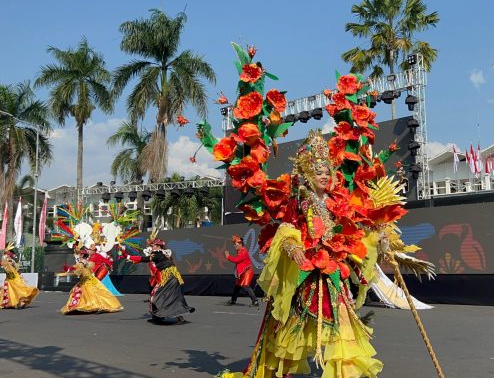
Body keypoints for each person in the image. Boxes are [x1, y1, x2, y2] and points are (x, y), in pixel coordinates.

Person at [220, 131, 383, 378]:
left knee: (343, 325)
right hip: (306, 274)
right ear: (307, 175)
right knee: (293, 327)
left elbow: (352, 229)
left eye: (327, 172)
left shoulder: (335, 201)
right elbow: (286, 230)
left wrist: (376, 236)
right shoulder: (300, 201)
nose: (324, 176)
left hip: (332, 272)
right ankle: (282, 373)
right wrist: (293, 247)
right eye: (319, 172)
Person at [127, 237, 195, 324]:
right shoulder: (165, 255)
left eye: (153, 246)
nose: (152, 247)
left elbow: (144, 259)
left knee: (155, 297)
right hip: (173, 278)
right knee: (174, 297)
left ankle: (159, 316)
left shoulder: (157, 254)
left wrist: (128, 256)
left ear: (158, 247)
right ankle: (176, 318)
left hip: (168, 278)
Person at [60, 248, 123, 314]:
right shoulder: (87, 261)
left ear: (81, 255)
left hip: (87, 281)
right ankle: (100, 305)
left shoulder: (82, 262)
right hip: (90, 279)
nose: (77, 255)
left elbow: (77, 268)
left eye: (78, 254)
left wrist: (68, 269)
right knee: (98, 292)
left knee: (88, 293)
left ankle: (93, 306)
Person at [0, 244, 39, 309]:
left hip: (13, 277)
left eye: (11, 251)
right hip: (11, 277)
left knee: (16, 289)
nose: (11, 252)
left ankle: (18, 302)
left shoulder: (10, 259)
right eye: (10, 251)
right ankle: (17, 302)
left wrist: (16, 269)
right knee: (15, 289)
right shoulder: (5, 258)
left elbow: (14, 268)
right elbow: (7, 268)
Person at [225, 235, 259, 307]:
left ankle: (255, 301)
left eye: (235, 244)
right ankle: (233, 300)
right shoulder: (240, 251)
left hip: (248, 271)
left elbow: (237, 260)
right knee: (237, 286)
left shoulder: (243, 251)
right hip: (242, 272)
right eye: (234, 244)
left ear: (240, 244)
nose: (234, 246)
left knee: (246, 286)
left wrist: (228, 256)